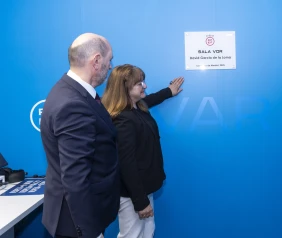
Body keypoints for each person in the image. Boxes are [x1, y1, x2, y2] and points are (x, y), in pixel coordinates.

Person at [40, 33, 119, 238]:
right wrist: (89, 232)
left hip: (82, 215)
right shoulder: (72, 104)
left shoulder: (72, 91)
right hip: (76, 223)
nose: (110, 66)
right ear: (96, 61)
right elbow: (75, 178)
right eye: (109, 60)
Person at [101, 64, 184, 238]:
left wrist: (168, 91)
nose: (144, 86)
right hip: (132, 194)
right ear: (125, 88)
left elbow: (151, 99)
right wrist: (140, 202)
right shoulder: (123, 119)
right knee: (133, 235)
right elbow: (126, 163)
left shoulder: (137, 107)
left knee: (147, 232)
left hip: (142, 189)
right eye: (139, 83)